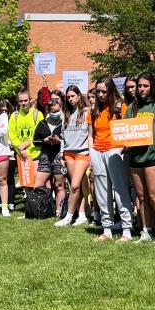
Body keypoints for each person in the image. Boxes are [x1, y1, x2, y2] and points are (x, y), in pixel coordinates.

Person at [89, 77, 133, 241]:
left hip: (116, 151)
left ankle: (126, 228)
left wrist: (121, 149)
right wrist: (91, 152)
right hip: (98, 151)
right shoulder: (94, 110)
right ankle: (106, 228)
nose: (100, 95)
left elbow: (129, 129)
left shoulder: (120, 107)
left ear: (111, 90)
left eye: (103, 91)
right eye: (97, 91)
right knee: (101, 192)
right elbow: (90, 134)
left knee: (120, 191)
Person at [125, 71, 155, 243]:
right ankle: (146, 231)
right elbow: (125, 131)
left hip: (152, 157)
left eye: (145, 86)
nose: (141, 89)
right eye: (140, 86)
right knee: (141, 197)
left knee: (153, 195)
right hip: (135, 158)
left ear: (152, 87)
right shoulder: (131, 108)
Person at [56, 86, 92, 228]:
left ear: (79, 95)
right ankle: (82, 214)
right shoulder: (65, 113)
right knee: (78, 186)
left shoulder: (87, 112)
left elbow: (90, 134)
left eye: (73, 96)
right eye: (68, 96)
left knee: (75, 186)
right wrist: (61, 154)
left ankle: (68, 216)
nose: (70, 99)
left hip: (83, 153)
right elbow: (63, 137)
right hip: (69, 154)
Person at [33, 93, 66, 216]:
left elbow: (69, 141)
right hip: (45, 156)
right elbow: (35, 140)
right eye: (53, 111)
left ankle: (59, 211)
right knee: (38, 185)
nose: (55, 113)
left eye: (57, 111)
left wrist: (60, 141)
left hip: (59, 156)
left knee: (59, 185)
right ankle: (41, 209)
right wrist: (44, 140)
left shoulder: (64, 122)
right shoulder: (42, 123)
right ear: (48, 111)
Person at [8, 88, 43, 195]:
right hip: (22, 155)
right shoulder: (15, 116)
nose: (23, 103)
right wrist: (20, 148)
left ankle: (38, 207)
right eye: (21, 101)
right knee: (27, 184)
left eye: (25, 100)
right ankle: (29, 207)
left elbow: (39, 134)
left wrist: (27, 144)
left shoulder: (38, 114)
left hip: (36, 154)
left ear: (30, 100)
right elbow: (12, 134)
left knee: (37, 183)